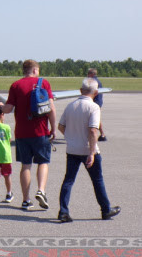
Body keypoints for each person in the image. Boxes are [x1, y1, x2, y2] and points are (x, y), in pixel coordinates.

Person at [57, 78, 120, 222]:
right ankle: (105, 210)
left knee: (68, 180)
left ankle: (63, 211)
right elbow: (93, 131)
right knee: (97, 180)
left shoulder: (70, 106)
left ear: (80, 90)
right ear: (96, 93)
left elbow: (60, 126)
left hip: (72, 150)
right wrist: (91, 152)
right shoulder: (94, 107)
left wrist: (71, 138)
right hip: (88, 150)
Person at [0, 59, 56, 210]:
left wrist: (0, 106)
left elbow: (9, 109)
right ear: (35, 70)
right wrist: (53, 129)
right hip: (41, 131)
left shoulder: (15, 85)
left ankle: (25, 200)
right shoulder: (44, 83)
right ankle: (41, 190)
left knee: (26, 166)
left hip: (22, 133)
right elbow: (51, 108)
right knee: (43, 162)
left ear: (24, 71)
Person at [87, 68, 107, 141]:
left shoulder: (93, 82)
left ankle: (102, 134)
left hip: (95, 101)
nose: (87, 75)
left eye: (89, 73)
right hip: (98, 101)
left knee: (96, 118)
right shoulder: (98, 81)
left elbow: (91, 92)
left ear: (92, 74)